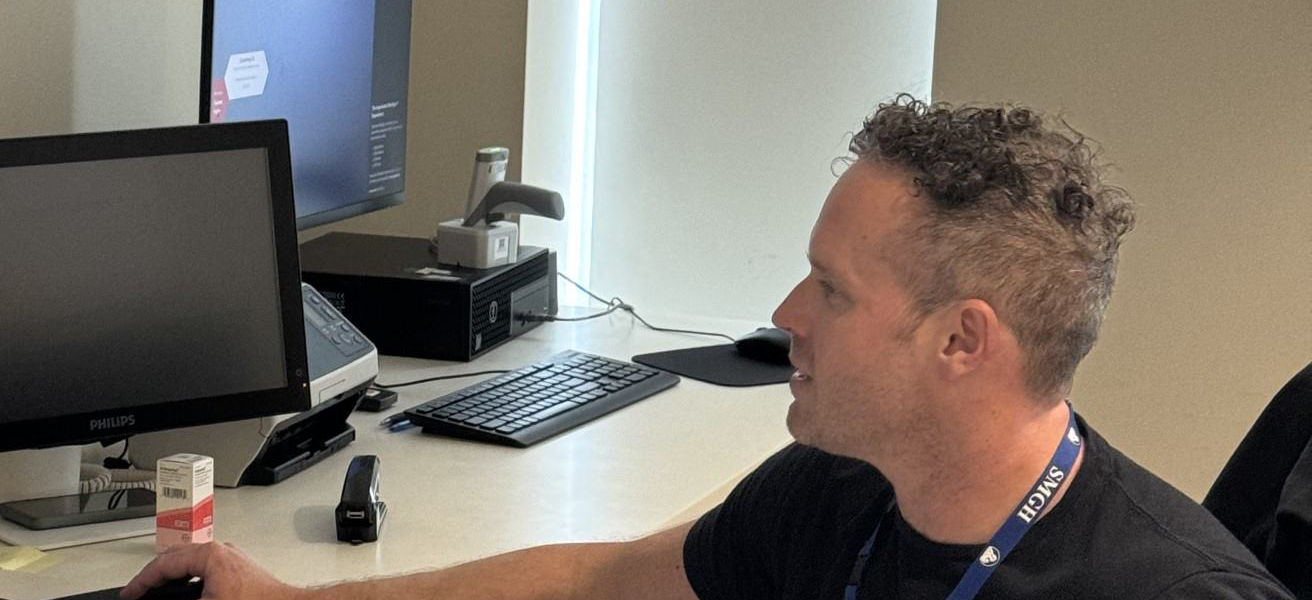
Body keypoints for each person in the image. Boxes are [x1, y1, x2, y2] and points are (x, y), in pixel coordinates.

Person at [120, 96, 1291, 599]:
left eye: (832, 290)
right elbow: (592, 580)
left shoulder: (1169, 590)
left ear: (961, 343)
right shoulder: (841, 496)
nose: (785, 312)